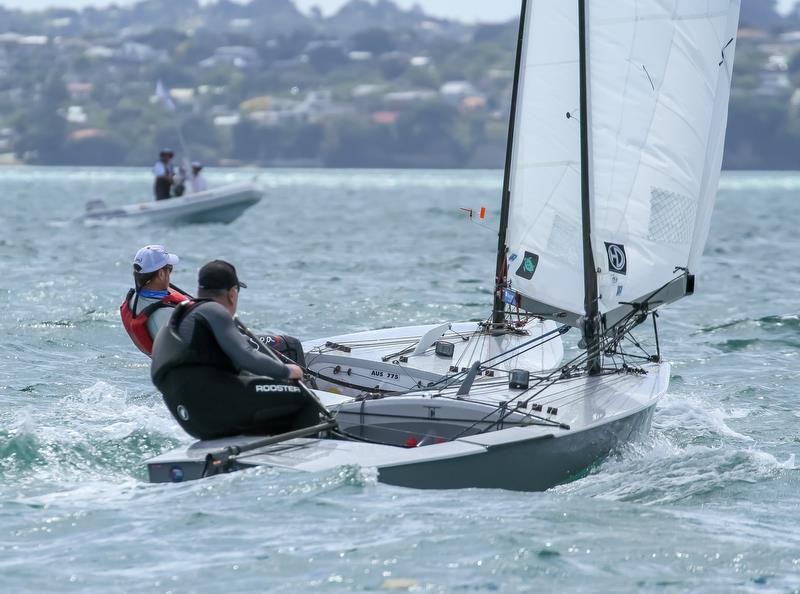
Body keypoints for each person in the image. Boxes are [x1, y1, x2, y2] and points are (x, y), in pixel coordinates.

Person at [150, 260, 319, 440]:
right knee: (305, 398)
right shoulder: (213, 309)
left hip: (191, 421)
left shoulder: (178, 319)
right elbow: (247, 357)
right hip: (215, 406)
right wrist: (288, 370)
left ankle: (268, 444)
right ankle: (308, 455)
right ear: (232, 294)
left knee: (272, 405)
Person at [120, 245, 190, 356]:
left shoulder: (132, 301)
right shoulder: (171, 315)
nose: (170, 273)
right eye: (169, 269)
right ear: (161, 274)